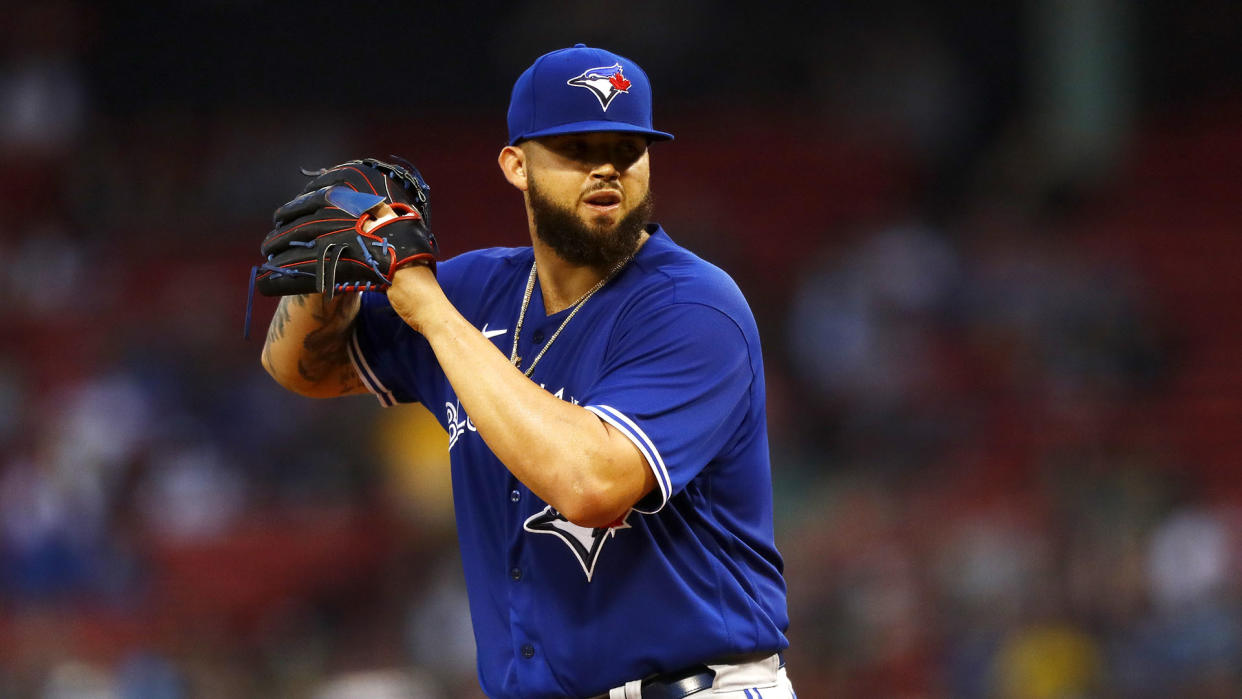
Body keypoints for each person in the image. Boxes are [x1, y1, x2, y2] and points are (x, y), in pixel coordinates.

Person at [261, 44, 793, 699]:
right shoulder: (478, 289)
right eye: (576, 147)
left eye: (628, 148)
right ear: (516, 164)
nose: (606, 168)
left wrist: (428, 307)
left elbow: (591, 485)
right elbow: (302, 369)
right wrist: (329, 272)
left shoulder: (694, 306)